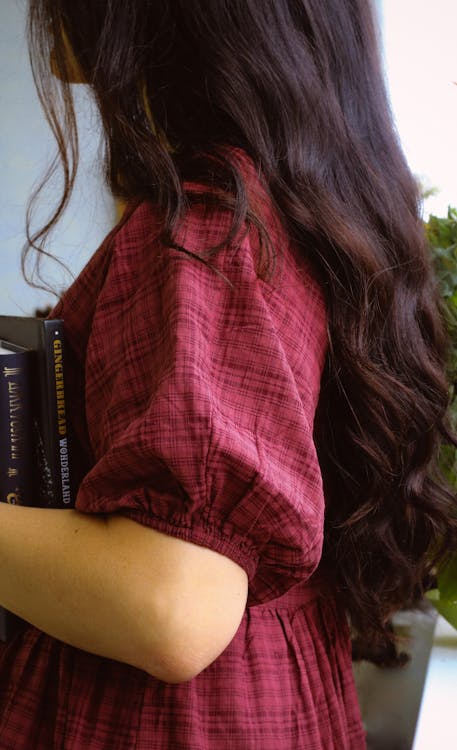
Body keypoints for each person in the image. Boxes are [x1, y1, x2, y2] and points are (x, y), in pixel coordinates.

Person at [1, 1, 456, 748]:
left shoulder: (208, 229)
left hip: (160, 719)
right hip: (255, 698)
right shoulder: (284, 208)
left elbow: (171, 606)